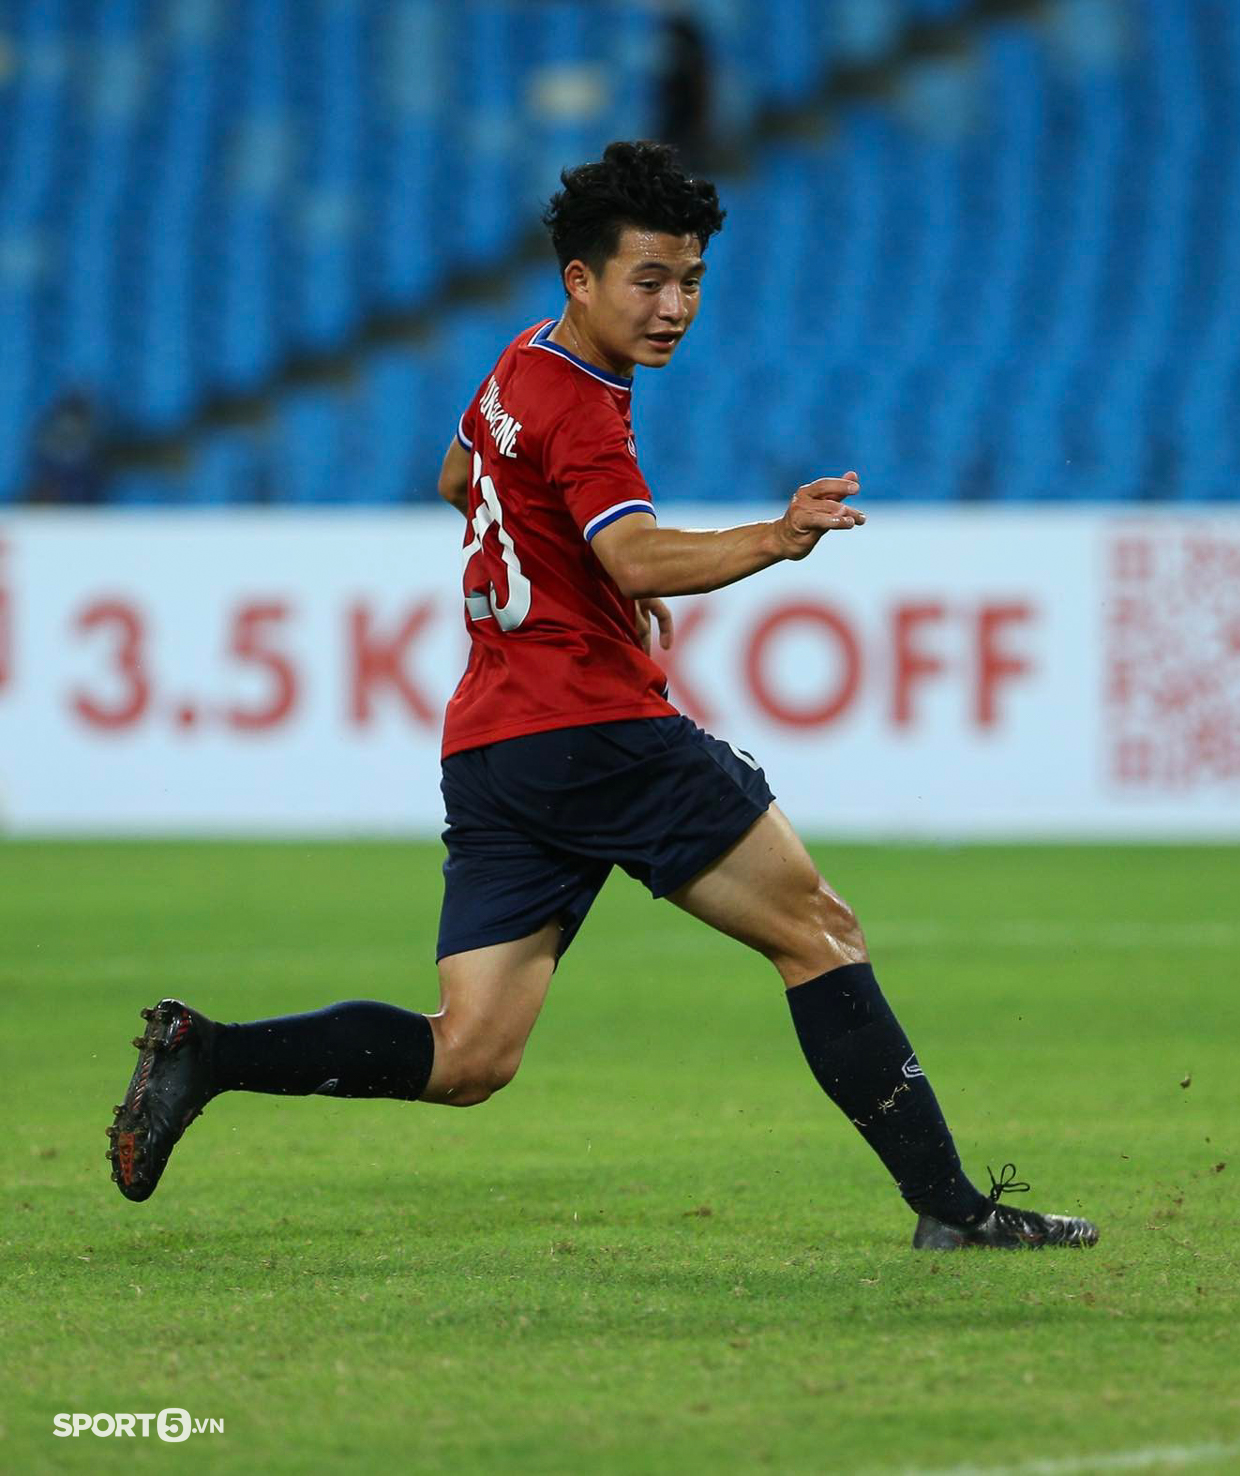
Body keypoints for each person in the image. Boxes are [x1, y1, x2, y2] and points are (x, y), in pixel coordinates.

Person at [107, 140, 1096, 1254]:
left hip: (495, 745)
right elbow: (630, 557)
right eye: (650, 281)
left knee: (470, 1054)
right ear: (581, 279)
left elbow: (456, 478)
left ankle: (212, 1053)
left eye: (693, 283)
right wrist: (774, 536)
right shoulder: (580, 404)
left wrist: (574, 577)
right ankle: (955, 1212)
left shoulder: (522, 361)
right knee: (819, 932)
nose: (675, 307)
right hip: (598, 731)